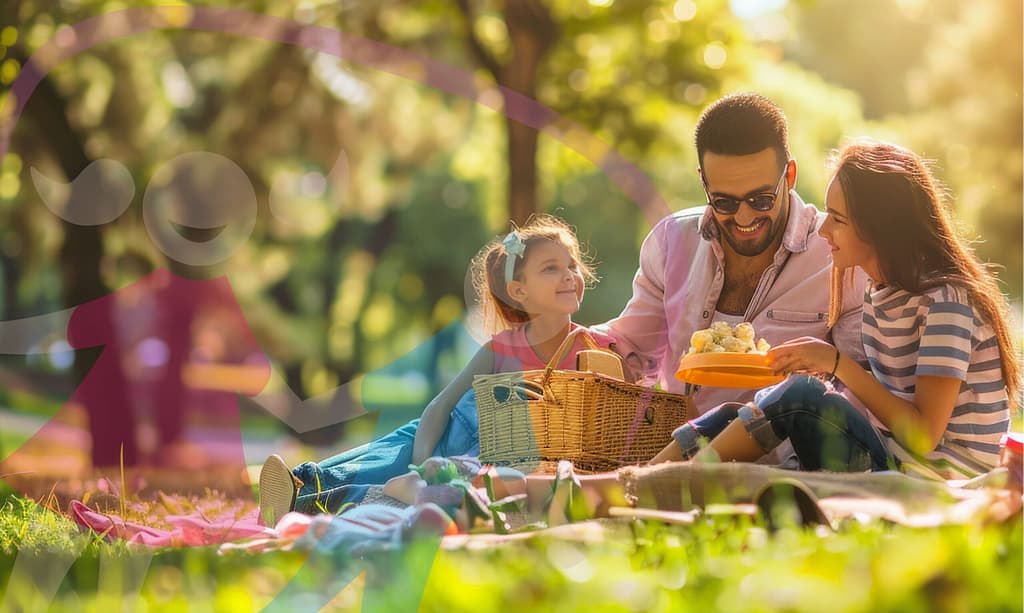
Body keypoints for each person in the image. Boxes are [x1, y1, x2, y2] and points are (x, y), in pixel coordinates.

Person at [650, 139, 1018, 479]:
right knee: (742, 412)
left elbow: (923, 436)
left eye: (838, 219)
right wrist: (814, 375)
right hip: (894, 461)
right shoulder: (881, 293)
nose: (824, 231)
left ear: (882, 228)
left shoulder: (946, 302)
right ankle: (627, 482)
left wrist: (835, 362)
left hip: (940, 484)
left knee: (800, 398)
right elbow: (879, 405)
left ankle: (678, 486)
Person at [259, 214, 617, 525]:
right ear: (518, 291)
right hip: (452, 429)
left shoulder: (590, 348)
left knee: (415, 484)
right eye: (551, 268)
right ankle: (302, 485)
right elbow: (441, 406)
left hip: (491, 454)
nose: (570, 275)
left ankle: (313, 499)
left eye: (571, 265)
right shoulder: (501, 347)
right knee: (391, 455)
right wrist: (422, 462)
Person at [602, 92, 868, 418]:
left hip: (791, 463)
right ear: (704, 183)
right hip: (679, 456)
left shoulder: (839, 253)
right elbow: (629, 352)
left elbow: (863, 387)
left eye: (761, 200)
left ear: (790, 177)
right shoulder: (671, 242)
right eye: (724, 202)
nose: (744, 219)